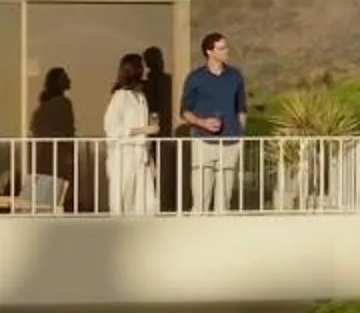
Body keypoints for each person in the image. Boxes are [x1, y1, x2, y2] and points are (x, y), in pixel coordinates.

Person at [179, 30, 249, 212]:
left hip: (230, 141)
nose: (226, 51)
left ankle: (221, 227)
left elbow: (241, 108)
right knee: (201, 197)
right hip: (203, 141)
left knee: (224, 198)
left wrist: (241, 135)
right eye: (221, 48)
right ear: (209, 52)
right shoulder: (196, 78)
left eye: (226, 47)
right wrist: (202, 123)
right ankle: (198, 226)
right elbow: (185, 111)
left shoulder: (235, 76)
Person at [101, 54, 158, 215]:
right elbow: (111, 129)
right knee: (125, 196)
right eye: (141, 66)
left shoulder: (141, 97)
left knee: (145, 200)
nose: (145, 70)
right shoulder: (120, 97)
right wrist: (142, 130)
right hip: (124, 154)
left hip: (142, 155)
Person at [28, 68, 76, 212]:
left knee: (47, 196)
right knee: (59, 195)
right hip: (58, 156)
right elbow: (67, 131)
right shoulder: (62, 104)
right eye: (65, 77)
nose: (69, 80)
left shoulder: (43, 107)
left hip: (45, 155)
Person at [141, 46, 178, 212]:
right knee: (154, 169)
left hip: (161, 132)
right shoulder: (151, 84)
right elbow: (154, 109)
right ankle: (157, 203)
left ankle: (163, 203)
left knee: (163, 170)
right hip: (155, 132)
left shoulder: (163, 82)